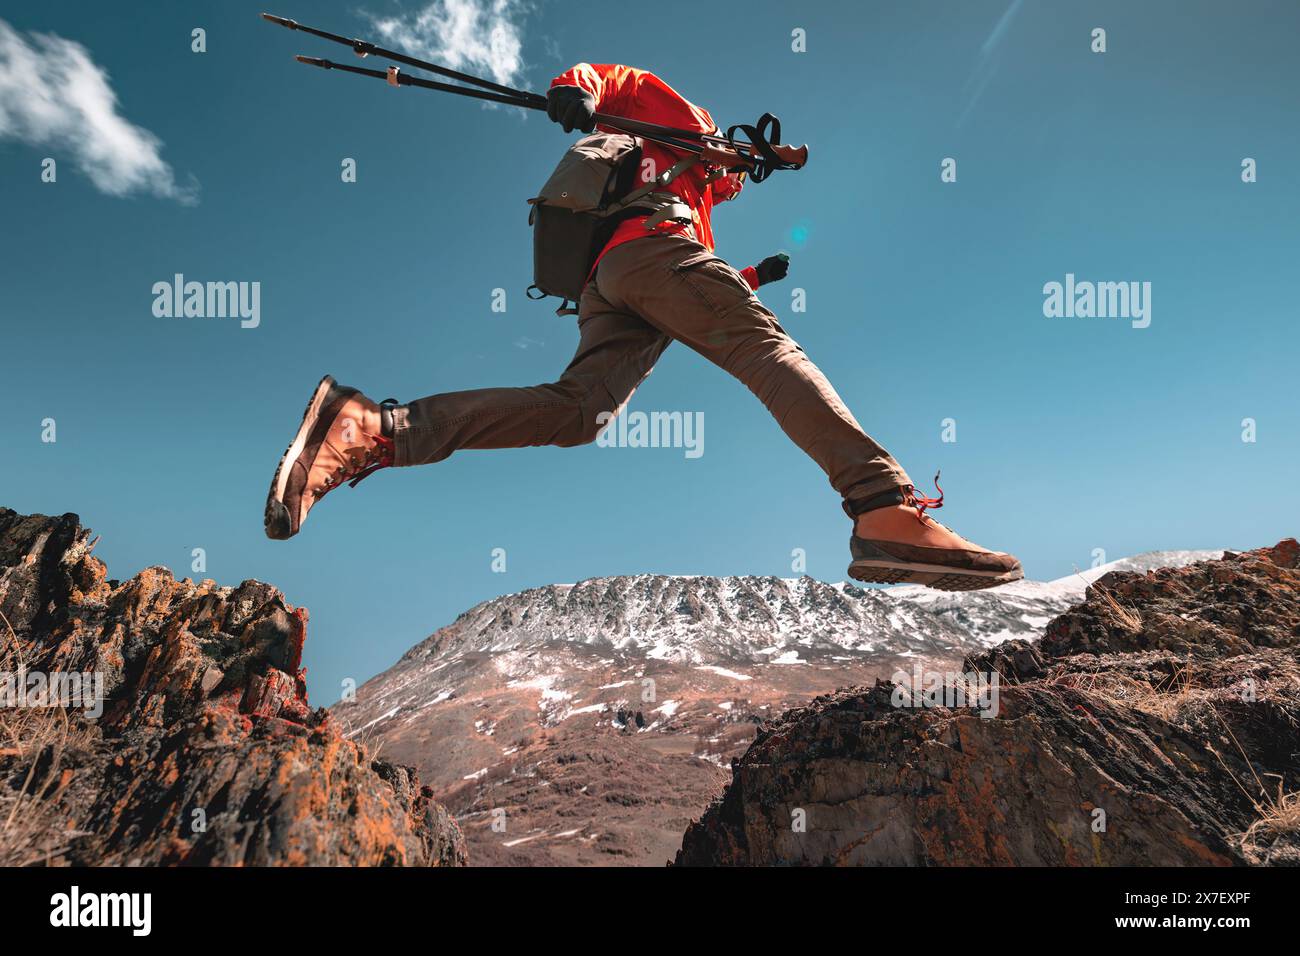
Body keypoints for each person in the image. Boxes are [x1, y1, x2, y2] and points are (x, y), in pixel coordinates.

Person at [263, 63, 1022, 591]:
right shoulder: (685, 128)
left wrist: (750, 277)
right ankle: (882, 506)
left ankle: (375, 427)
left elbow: (685, 293)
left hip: (617, 283)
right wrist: (577, 89)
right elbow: (623, 79)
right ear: (733, 142)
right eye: (744, 163)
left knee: (578, 413)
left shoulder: (701, 196)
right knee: (767, 351)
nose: (740, 175)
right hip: (651, 254)